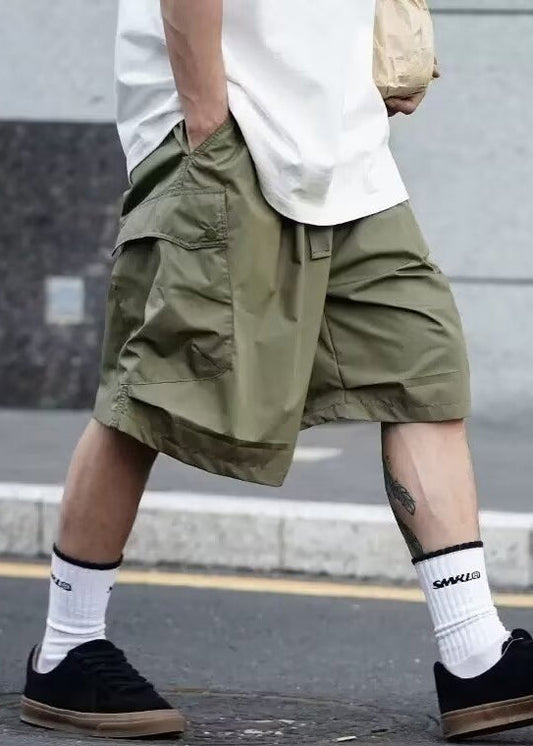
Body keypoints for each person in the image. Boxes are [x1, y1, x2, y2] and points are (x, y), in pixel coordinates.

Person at [20, 0, 533, 741]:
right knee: (157, 387)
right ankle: (68, 645)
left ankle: (474, 651)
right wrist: (205, 126)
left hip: (346, 147)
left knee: (423, 372)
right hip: (226, 134)